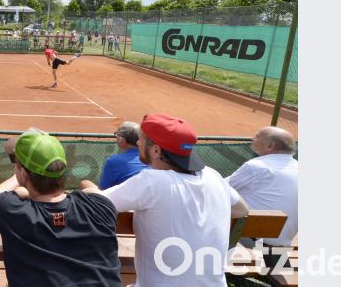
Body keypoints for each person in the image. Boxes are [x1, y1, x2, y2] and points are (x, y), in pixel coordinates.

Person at [88, 113, 249, 286]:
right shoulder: (213, 175)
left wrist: (88, 187)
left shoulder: (152, 181)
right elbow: (241, 209)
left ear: (156, 150)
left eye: (141, 139)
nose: (138, 143)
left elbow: (97, 203)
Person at [0, 129, 121, 287]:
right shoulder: (101, 206)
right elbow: (92, 189)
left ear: (23, 173)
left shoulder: (10, 208)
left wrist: (19, 181)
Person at [227, 127, 298, 272]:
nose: (252, 139)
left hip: (252, 241)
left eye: (257, 136)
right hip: (282, 244)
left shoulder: (257, 166)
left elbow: (218, 189)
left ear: (270, 146)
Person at [98, 122, 148, 189]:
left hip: (126, 195)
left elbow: (103, 189)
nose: (116, 137)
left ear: (123, 140)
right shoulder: (153, 158)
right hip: (150, 194)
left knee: (86, 183)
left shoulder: (114, 161)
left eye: (117, 135)